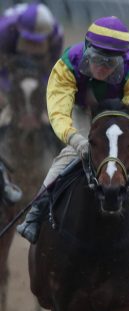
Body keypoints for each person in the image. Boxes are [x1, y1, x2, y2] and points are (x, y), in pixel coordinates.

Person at [16, 16, 129, 248]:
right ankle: (36, 211)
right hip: (81, 108)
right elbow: (59, 112)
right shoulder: (67, 64)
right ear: (86, 50)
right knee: (70, 155)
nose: (102, 68)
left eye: (110, 64)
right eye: (96, 60)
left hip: (116, 109)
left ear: (121, 61)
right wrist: (75, 139)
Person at [0, 2, 62, 204]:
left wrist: (40, 101)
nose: (32, 46)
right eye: (28, 40)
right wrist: (9, 95)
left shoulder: (56, 35)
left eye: (37, 42)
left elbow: (52, 73)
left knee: (58, 116)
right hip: (9, 74)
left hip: (37, 78)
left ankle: (62, 163)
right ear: (18, 31)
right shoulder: (5, 30)